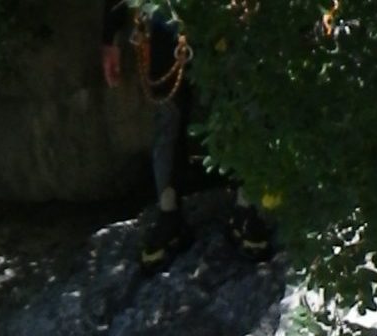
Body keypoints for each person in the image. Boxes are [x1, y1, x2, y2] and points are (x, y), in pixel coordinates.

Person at [101, 2, 275, 266]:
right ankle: (169, 215)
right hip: (166, 22)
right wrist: (110, 36)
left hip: (231, 17)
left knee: (245, 105)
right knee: (168, 115)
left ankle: (246, 207)